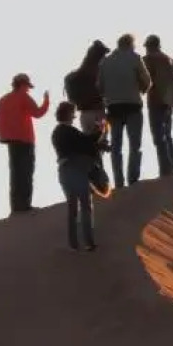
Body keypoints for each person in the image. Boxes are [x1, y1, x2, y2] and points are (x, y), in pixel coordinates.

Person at [51, 102, 110, 251]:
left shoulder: (58, 132)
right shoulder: (67, 130)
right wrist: (100, 130)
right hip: (75, 169)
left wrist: (99, 141)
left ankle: (74, 244)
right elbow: (86, 143)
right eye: (72, 112)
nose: (74, 115)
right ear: (67, 114)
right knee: (85, 204)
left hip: (64, 171)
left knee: (72, 207)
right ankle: (88, 242)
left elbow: (85, 143)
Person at [97, 32, 153, 189]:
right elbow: (147, 81)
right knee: (135, 145)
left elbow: (99, 87)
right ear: (130, 44)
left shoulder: (105, 62)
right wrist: (140, 90)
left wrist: (110, 95)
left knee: (116, 146)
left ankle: (119, 182)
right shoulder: (135, 58)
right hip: (133, 106)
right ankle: (132, 179)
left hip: (113, 108)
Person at [0, 73, 50, 214]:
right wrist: (46, 101)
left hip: (11, 142)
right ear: (23, 85)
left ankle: (16, 207)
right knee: (26, 173)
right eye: (27, 86)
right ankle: (25, 206)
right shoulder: (23, 97)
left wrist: (3, 135)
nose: (28, 89)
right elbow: (38, 113)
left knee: (15, 174)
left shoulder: (3, 100)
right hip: (25, 140)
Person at [142, 34, 173, 177]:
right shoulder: (169, 59)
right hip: (168, 102)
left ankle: (165, 171)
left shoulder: (148, 60)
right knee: (168, 135)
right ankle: (171, 168)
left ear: (150, 46)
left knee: (159, 137)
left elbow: (143, 78)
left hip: (155, 101)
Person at [64, 40, 109, 133]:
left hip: (84, 115)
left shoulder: (77, 75)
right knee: (101, 142)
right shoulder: (98, 74)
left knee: (89, 144)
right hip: (98, 113)